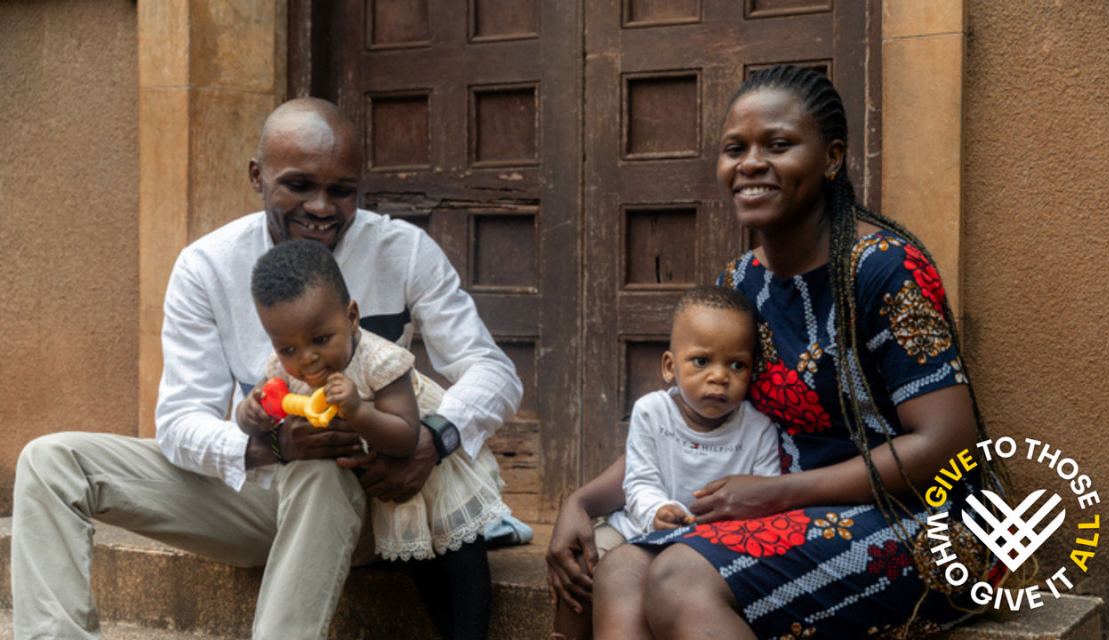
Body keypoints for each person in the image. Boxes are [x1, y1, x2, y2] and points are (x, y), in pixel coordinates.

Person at [12, 97, 522, 640]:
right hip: (256, 497)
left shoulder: (403, 251)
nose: (321, 207)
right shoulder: (208, 266)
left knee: (322, 466)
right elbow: (181, 424)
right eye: (299, 185)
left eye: (341, 190)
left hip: (374, 505)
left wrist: (433, 439)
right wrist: (270, 445)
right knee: (52, 461)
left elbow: (492, 370)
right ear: (258, 176)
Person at [547, 65, 1007, 639]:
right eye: (734, 149)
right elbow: (681, 426)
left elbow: (946, 442)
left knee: (678, 579)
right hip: (785, 515)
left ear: (832, 158)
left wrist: (778, 493)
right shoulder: (740, 285)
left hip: (928, 518)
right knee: (618, 570)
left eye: (778, 145)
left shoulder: (885, 269)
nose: (750, 163)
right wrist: (580, 502)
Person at [239, 239, 509, 637]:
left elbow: (405, 439)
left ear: (351, 316)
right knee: (422, 568)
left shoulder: (380, 361)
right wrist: (250, 414)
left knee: (460, 558)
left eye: (321, 339)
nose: (307, 359)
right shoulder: (283, 369)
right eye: (288, 348)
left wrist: (358, 410)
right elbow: (265, 410)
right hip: (386, 489)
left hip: (430, 472)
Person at [552, 286, 780, 640]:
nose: (720, 376)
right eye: (702, 361)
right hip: (638, 527)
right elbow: (639, 480)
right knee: (583, 563)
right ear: (670, 367)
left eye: (737, 365)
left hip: (712, 545)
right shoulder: (652, 412)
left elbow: (766, 498)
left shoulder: (758, 429)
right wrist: (657, 511)